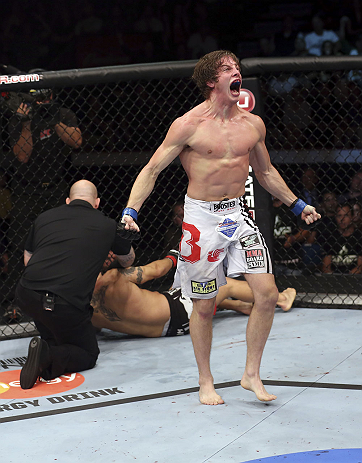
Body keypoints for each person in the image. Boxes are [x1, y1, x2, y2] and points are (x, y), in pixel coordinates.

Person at [121, 50, 320, 405]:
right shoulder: (188, 125)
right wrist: (131, 210)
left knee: (268, 294)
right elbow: (151, 170)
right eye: (228, 69)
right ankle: (205, 380)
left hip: (237, 215)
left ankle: (251, 374)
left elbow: (265, 172)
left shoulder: (252, 124)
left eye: (238, 67)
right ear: (212, 81)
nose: (237, 72)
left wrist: (297, 204)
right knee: (204, 305)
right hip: (200, 220)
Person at [15, 180, 135, 389]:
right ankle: (47, 355)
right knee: (88, 354)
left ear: (68, 201)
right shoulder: (107, 225)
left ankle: (48, 344)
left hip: (26, 294)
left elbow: (28, 259)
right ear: (96, 202)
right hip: (64, 303)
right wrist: (126, 241)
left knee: (53, 323)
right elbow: (127, 261)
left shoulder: (45, 217)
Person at [91, 253, 297, 337]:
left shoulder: (83, 304)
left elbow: (102, 326)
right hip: (180, 312)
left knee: (194, 294)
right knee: (224, 284)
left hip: (169, 331)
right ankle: (280, 299)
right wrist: (174, 256)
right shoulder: (116, 277)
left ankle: (239, 306)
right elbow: (156, 270)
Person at [321, 203, 362, 274]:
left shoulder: (359, 237)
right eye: (339, 216)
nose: (342, 219)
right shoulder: (330, 238)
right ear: (335, 217)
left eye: (346, 215)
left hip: (355, 279)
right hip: (333, 279)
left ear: (352, 217)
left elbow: (360, 267)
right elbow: (326, 267)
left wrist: (346, 279)